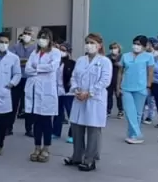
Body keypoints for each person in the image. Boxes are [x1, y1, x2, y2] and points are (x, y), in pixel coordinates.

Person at [65, 34, 112, 171]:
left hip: (95, 99)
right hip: (79, 97)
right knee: (76, 127)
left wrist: (90, 92)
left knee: (93, 129)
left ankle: (90, 159)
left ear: (99, 45)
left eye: (92, 42)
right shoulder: (80, 60)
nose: (89, 45)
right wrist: (76, 90)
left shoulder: (104, 61)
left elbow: (105, 81)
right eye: (87, 42)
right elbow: (74, 77)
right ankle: (76, 156)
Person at [24, 29, 62, 160]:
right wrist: (40, 68)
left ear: (50, 39)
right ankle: (36, 147)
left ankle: (46, 148)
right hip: (34, 90)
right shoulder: (34, 53)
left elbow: (53, 67)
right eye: (40, 37)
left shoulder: (55, 52)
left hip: (47, 91)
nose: (42, 39)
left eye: (45, 37)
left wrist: (36, 67)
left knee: (46, 121)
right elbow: (27, 69)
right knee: (36, 121)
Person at [117, 35, 154, 144]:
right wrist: (117, 86)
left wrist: (148, 85)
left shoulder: (148, 56)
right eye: (135, 43)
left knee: (138, 113)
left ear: (144, 46)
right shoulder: (125, 56)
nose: (136, 46)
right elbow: (120, 71)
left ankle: (132, 135)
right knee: (129, 111)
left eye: (139, 44)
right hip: (126, 87)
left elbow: (150, 72)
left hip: (141, 87)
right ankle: (137, 133)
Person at [11, 29, 36, 130]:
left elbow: (34, 63)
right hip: (17, 78)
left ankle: (29, 128)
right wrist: (27, 61)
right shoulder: (15, 46)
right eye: (25, 33)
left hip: (29, 79)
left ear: (32, 36)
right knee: (13, 103)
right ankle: (9, 127)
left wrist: (21, 60)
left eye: (29, 34)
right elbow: (13, 60)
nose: (26, 35)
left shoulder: (35, 48)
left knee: (29, 104)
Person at [53, 43, 76, 141]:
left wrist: (71, 83)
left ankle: (72, 135)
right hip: (57, 91)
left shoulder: (72, 63)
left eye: (63, 50)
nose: (61, 52)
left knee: (71, 113)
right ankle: (55, 132)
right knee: (58, 113)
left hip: (68, 92)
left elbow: (75, 76)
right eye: (60, 49)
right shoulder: (56, 62)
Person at [107, 42, 124, 118]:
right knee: (108, 95)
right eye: (112, 48)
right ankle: (108, 110)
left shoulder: (122, 57)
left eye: (115, 48)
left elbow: (125, 68)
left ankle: (120, 110)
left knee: (119, 95)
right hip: (109, 79)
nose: (113, 50)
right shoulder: (107, 57)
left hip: (119, 79)